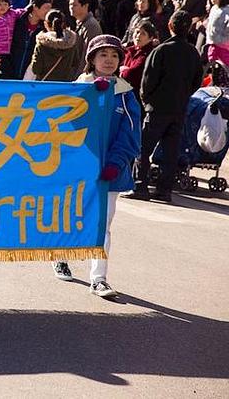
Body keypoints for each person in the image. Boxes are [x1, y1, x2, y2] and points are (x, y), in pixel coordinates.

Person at [52, 35, 140, 300]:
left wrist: (115, 162)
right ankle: (61, 256)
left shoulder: (125, 93)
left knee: (103, 224)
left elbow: (131, 133)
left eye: (114, 55)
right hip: (79, 169)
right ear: (91, 59)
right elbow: (63, 126)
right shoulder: (79, 89)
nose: (109, 61)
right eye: (103, 55)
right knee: (71, 215)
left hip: (110, 173)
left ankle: (99, 279)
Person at [130, 11, 203, 202]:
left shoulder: (161, 50)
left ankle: (140, 186)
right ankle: (164, 190)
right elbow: (197, 81)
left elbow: (147, 81)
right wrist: (183, 96)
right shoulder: (193, 53)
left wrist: (148, 101)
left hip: (157, 107)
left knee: (143, 148)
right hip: (179, 108)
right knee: (170, 152)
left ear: (170, 25)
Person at [29, 10, 83, 81]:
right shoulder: (71, 41)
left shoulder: (42, 43)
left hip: (45, 85)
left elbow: (36, 69)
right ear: (63, 24)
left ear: (45, 24)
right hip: (65, 86)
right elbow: (75, 63)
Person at [120, 19, 157, 96]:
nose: (138, 36)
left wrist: (123, 70)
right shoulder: (129, 50)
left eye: (143, 34)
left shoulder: (148, 53)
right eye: (137, 32)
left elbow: (132, 74)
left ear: (150, 38)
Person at [205, 0, 229, 69]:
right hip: (213, 42)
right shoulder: (214, 8)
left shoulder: (226, 9)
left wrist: (225, 31)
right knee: (213, 63)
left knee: (225, 66)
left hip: (224, 43)